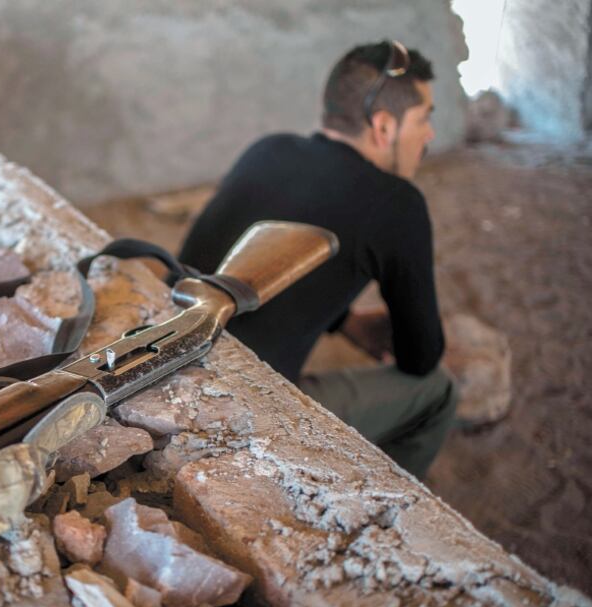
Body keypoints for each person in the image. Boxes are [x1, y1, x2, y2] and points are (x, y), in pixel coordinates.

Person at [178, 40, 457, 479]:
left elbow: (220, 267)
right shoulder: (397, 203)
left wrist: (343, 321)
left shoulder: (268, 149)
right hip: (238, 420)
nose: (430, 135)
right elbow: (420, 356)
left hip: (167, 365)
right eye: (424, 119)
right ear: (384, 127)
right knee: (438, 392)